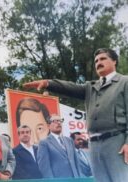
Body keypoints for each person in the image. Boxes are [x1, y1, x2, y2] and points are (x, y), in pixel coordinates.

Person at [23, 48, 128, 182]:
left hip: (117, 143)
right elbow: (70, 87)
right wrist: (48, 83)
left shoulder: (124, 82)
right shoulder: (91, 87)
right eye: (96, 61)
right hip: (94, 146)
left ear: (114, 61)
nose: (98, 62)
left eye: (103, 59)